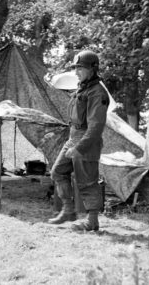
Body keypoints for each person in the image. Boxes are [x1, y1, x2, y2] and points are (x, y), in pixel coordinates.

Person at [48, 50, 109, 231]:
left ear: (93, 69)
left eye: (80, 68)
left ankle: (92, 221)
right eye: (76, 68)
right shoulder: (83, 88)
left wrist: (80, 148)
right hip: (73, 138)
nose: (76, 72)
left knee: (87, 181)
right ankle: (68, 211)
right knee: (58, 172)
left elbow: (96, 127)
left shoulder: (97, 93)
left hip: (86, 142)